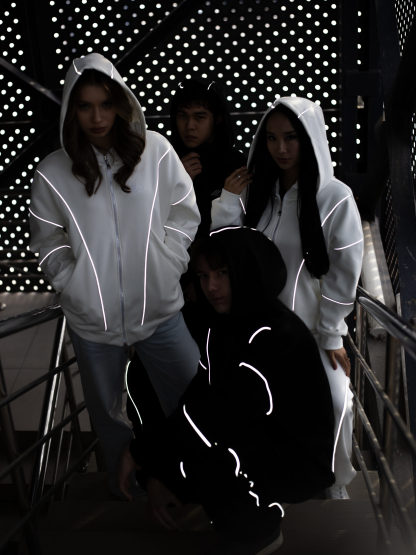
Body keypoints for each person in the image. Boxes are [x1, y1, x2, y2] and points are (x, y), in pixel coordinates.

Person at [29, 53, 201, 495]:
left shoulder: (156, 152)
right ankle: (129, 495)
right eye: (85, 106)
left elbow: (184, 214)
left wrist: (169, 264)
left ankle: (194, 485)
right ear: (71, 109)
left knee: (190, 399)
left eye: (106, 104)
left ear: (121, 102)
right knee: (108, 415)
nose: (97, 117)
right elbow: (48, 240)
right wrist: (73, 285)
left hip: (161, 312)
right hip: (92, 323)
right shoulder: (52, 173)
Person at [120, 227, 336, 555]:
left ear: (247, 271)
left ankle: (258, 532)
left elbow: (216, 417)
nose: (211, 287)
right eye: (203, 276)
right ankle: (230, 511)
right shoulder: (227, 323)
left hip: (298, 459)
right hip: (262, 435)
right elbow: (201, 392)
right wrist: (154, 464)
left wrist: (149, 459)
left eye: (222, 273)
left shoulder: (272, 336)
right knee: (190, 444)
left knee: (209, 451)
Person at [211, 96, 364, 499]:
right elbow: (227, 251)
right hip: (256, 332)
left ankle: (334, 484)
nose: (280, 148)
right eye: (272, 138)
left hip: (311, 331)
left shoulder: (334, 196)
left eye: (291, 138)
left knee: (337, 402)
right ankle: (265, 486)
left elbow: (345, 269)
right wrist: (227, 203)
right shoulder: (255, 192)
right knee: (256, 407)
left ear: (310, 138)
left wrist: (331, 332)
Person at [169, 78, 247, 238]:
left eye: (200, 117)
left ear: (217, 119)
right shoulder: (165, 161)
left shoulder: (236, 165)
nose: (190, 126)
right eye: (182, 116)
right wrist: (177, 182)